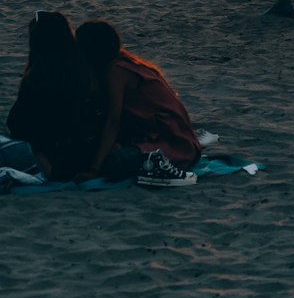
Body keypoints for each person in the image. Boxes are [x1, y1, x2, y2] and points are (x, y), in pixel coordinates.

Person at [75, 21, 200, 188]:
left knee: (114, 163)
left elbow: (113, 121)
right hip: (151, 135)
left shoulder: (116, 71)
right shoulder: (120, 64)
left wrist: (94, 169)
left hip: (172, 142)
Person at [6, 11, 106, 180]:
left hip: (57, 156)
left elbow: (17, 124)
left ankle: (49, 169)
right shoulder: (83, 69)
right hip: (89, 151)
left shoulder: (38, 75)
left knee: (24, 129)